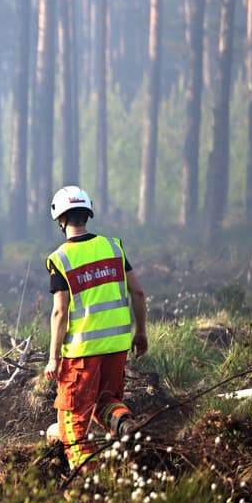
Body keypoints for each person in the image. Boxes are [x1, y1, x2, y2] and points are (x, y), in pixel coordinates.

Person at [42, 185, 148, 470]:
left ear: (60, 220)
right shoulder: (113, 247)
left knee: (72, 422)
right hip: (117, 347)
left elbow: (59, 312)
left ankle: (90, 482)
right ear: (87, 214)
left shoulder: (60, 258)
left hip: (81, 353)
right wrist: (141, 332)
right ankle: (125, 424)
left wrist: (53, 357)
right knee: (106, 401)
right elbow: (137, 292)